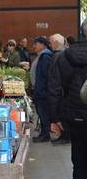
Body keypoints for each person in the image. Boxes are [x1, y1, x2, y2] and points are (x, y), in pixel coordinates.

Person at [49, 20, 87, 178]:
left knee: (79, 161)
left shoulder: (65, 56)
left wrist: (55, 118)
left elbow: (55, 89)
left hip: (75, 115)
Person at [48, 33, 70, 145]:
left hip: (59, 93)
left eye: (51, 43)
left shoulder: (57, 56)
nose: (50, 45)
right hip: (66, 92)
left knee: (61, 116)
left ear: (56, 43)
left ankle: (65, 136)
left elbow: (54, 79)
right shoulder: (67, 54)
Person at [31, 37, 53, 143]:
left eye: (36, 44)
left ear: (43, 45)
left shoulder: (45, 57)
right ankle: (44, 133)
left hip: (42, 91)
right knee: (41, 113)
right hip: (39, 89)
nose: (34, 46)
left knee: (43, 113)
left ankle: (45, 135)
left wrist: (40, 89)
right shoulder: (41, 56)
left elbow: (45, 76)